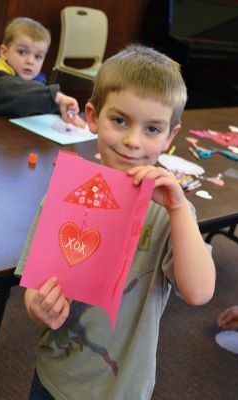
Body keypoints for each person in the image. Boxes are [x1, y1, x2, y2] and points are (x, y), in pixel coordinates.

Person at [15, 44, 216, 400]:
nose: (131, 141)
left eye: (152, 129)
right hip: (55, 378)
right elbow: (35, 285)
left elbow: (199, 292)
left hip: (123, 389)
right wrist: (37, 306)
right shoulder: (66, 197)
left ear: (170, 137)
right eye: (119, 120)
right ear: (93, 116)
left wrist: (181, 210)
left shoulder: (169, 212)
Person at [0, 17, 84, 126]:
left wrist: (63, 108)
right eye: (22, 52)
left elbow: (40, 97)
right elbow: (18, 92)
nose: (30, 61)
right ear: (4, 52)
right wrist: (53, 97)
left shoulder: (38, 80)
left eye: (38, 56)